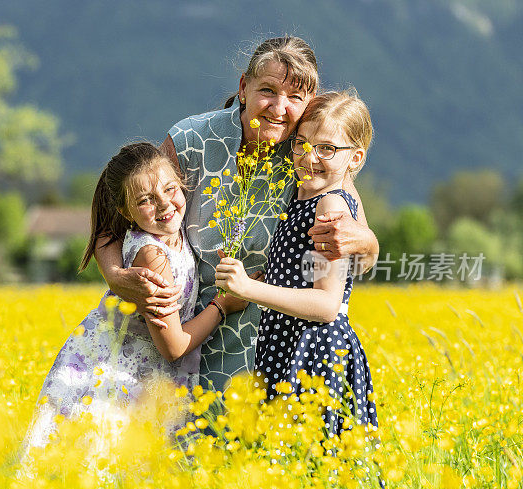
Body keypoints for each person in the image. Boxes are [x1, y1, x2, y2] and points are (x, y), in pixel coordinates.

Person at [95, 36, 380, 394]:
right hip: (185, 336)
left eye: (295, 97)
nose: (279, 108)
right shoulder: (190, 140)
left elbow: (362, 253)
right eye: (268, 91)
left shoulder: (309, 158)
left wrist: (365, 242)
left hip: (277, 348)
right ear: (243, 87)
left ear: (310, 102)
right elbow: (117, 217)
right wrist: (114, 274)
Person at [25, 143, 247, 448]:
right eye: (146, 200)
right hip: (122, 374)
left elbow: (110, 232)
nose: (165, 204)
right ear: (125, 211)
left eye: (171, 189)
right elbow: (173, 346)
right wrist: (223, 305)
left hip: (136, 370)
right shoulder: (153, 258)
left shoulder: (171, 232)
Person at [214, 89, 378, 434]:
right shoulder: (312, 195)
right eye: (301, 142)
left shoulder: (329, 208)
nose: (309, 157)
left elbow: (327, 304)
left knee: (307, 461)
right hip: (290, 341)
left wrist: (248, 287)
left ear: (355, 158)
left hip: (313, 347)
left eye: (327, 149)